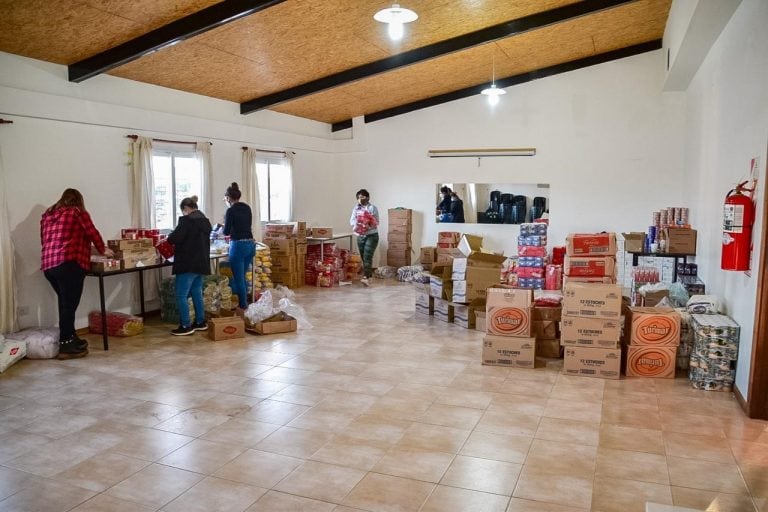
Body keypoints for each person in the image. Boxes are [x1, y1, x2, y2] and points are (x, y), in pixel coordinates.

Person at [40, 188, 114, 359]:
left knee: (65, 303)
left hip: (49, 265)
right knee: (69, 305)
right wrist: (103, 250)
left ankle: (71, 336)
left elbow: (44, 240)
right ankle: (66, 344)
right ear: (79, 200)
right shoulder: (77, 212)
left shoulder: (47, 215)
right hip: (69, 263)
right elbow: (92, 232)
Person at [167, 196, 212, 335]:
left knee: (181, 295)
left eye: (183, 211)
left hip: (187, 263)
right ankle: (200, 321)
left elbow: (173, 238)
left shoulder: (187, 221)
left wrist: (169, 235)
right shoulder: (205, 221)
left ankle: (185, 325)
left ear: (186, 209)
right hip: (201, 263)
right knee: (196, 292)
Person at [223, 182, 255, 311]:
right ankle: (245, 302)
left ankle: (243, 305)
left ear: (229, 197)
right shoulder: (247, 208)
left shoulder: (230, 210)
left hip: (238, 245)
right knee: (244, 275)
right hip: (250, 244)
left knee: (239, 278)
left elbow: (226, 231)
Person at [349, 189, 379, 286]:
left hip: (371, 235)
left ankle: (366, 277)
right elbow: (352, 220)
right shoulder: (355, 209)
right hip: (360, 236)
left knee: (367, 256)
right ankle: (369, 276)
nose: (360, 199)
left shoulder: (372, 208)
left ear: (368, 197)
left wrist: (367, 225)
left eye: (362, 197)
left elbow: (375, 222)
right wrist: (357, 225)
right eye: (358, 198)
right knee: (363, 256)